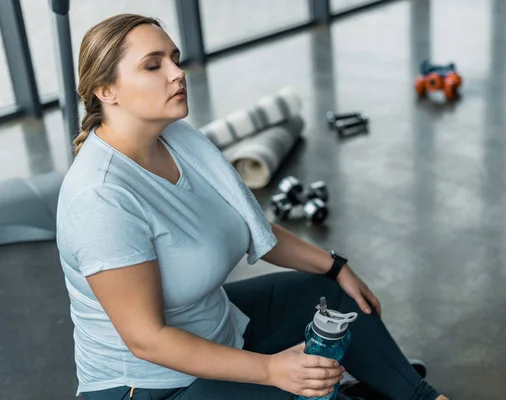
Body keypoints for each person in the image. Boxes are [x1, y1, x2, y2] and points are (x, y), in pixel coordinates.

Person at [55, 14, 449, 400]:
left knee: (331, 296)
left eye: (175, 58)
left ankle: (417, 395)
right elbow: (147, 341)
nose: (177, 73)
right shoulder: (100, 198)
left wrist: (335, 266)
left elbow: (250, 225)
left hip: (220, 328)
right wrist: (271, 370)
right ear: (107, 90)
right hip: (155, 385)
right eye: (153, 65)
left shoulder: (178, 139)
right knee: (311, 391)